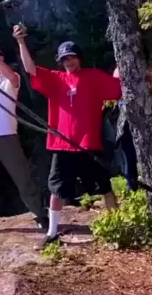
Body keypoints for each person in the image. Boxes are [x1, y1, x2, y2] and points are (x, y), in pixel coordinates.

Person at [13, 26, 122, 247]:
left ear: (79, 58)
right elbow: (30, 69)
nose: (69, 62)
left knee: (105, 185)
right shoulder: (56, 79)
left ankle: (118, 228)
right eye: (64, 59)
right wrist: (21, 42)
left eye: (72, 57)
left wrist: (124, 64)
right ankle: (52, 232)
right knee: (56, 188)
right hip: (63, 144)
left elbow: (118, 87)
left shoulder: (93, 76)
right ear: (60, 62)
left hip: (89, 143)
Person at [0, 45, 48, 230]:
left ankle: (39, 214)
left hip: (7, 135)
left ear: (0, 58)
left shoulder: (9, 79)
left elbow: (13, 78)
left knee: (22, 176)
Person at [112, 63, 152, 192]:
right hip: (126, 120)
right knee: (129, 156)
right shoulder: (119, 68)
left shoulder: (149, 68)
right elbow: (116, 89)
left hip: (148, 118)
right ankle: (132, 188)